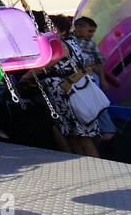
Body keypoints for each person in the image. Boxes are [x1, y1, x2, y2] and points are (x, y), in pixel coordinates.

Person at [39, 14, 101, 156]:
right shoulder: (71, 41)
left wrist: (27, 76)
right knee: (73, 135)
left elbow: (44, 66)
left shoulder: (60, 45)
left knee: (81, 136)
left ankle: (95, 167)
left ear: (62, 30)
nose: (46, 30)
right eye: (45, 27)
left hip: (70, 93)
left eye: (50, 27)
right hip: (69, 93)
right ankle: (84, 166)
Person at [69, 15, 118, 142]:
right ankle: (89, 128)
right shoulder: (69, 40)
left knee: (97, 102)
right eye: (89, 31)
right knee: (82, 104)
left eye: (93, 31)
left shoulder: (90, 44)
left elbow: (99, 63)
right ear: (78, 28)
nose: (91, 34)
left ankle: (108, 129)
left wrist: (102, 80)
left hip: (90, 76)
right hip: (75, 78)